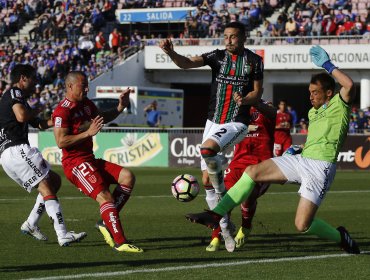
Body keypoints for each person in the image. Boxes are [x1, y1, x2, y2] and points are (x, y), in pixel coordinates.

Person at [186, 45, 360, 254]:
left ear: (329, 93)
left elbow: (348, 84)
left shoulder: (339, 105)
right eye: (309, 92)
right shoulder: (313, 113)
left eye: (315, 92)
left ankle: (341, 237)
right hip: (301, 161)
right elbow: (317, 140)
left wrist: (327, 64)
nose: (311, 96)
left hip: (320, 168)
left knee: (302, 224)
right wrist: (298, 150)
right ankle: (216, 215)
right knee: (252, 172)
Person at [160, 21, 264, 250]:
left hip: (237, 122)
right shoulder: (217, 57)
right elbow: (187, 64)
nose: (228, 40)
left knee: (207, 150)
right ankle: (224, 229)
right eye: (226, 36)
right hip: (212, 122)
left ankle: (219, 168)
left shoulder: (254, 62)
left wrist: (246, 100)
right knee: (207, 179)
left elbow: (258, 92)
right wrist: (170, 52)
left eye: (233, 36)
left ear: (243, 38)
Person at [52, 71, 143, 253]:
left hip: (89, 160)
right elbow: (61, 141)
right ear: (69, 86)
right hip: (75, 164)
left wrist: (120, 107)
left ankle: (105, 220)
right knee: (105, 197)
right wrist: (87, 133)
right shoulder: (62, 110)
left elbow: (102, 118)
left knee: (127, 177)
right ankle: (120, 242)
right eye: (82, 85)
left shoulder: (86, 104)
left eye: (87, 85)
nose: (86, 88)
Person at [0, 64, 86, 246]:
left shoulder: (19, 99)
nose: (36, 84)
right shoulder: (15, 93)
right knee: (46, 187)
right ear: (23, 78)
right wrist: (37, 110)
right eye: (33, 79)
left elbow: (38, 124)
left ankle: (31, 224)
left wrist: (59, 120)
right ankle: (62, 234)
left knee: (54, 181)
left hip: (9, 154)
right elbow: (23, 116)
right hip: (16, 149)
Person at [206, 99, 276, 252]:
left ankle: (246, 227)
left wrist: (254, 102)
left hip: (261, 164)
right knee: (224, 198)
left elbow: (272, 113)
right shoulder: (236, 110)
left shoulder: (266, 105)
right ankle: (216, 236)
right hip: (238, 163)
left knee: (248, 197)